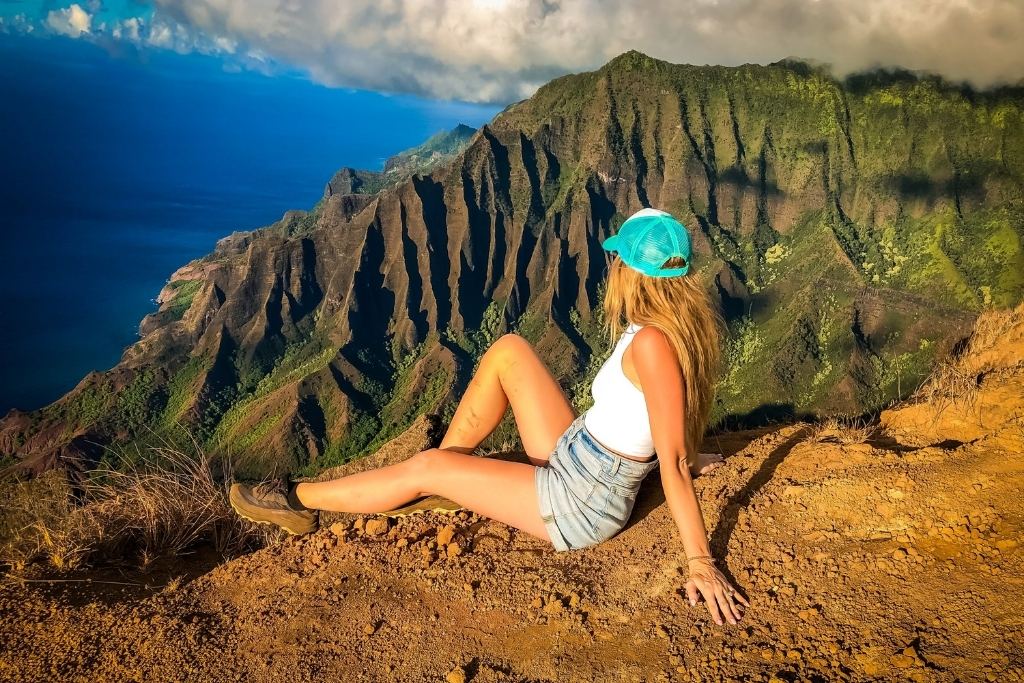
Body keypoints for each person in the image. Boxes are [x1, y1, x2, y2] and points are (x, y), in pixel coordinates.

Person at [229, 207, 748, 626]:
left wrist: (700, 561)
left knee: (428, 466)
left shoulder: (654, 341)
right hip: (578, 453)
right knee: (509, 350)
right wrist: (681, 452)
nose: (610, 269)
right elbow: (660, 420)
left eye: (617, 261)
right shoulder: (672, 326)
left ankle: (297, 501)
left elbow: (672, 459)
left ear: (633, 272)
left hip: (581, 502)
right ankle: (451, 477)